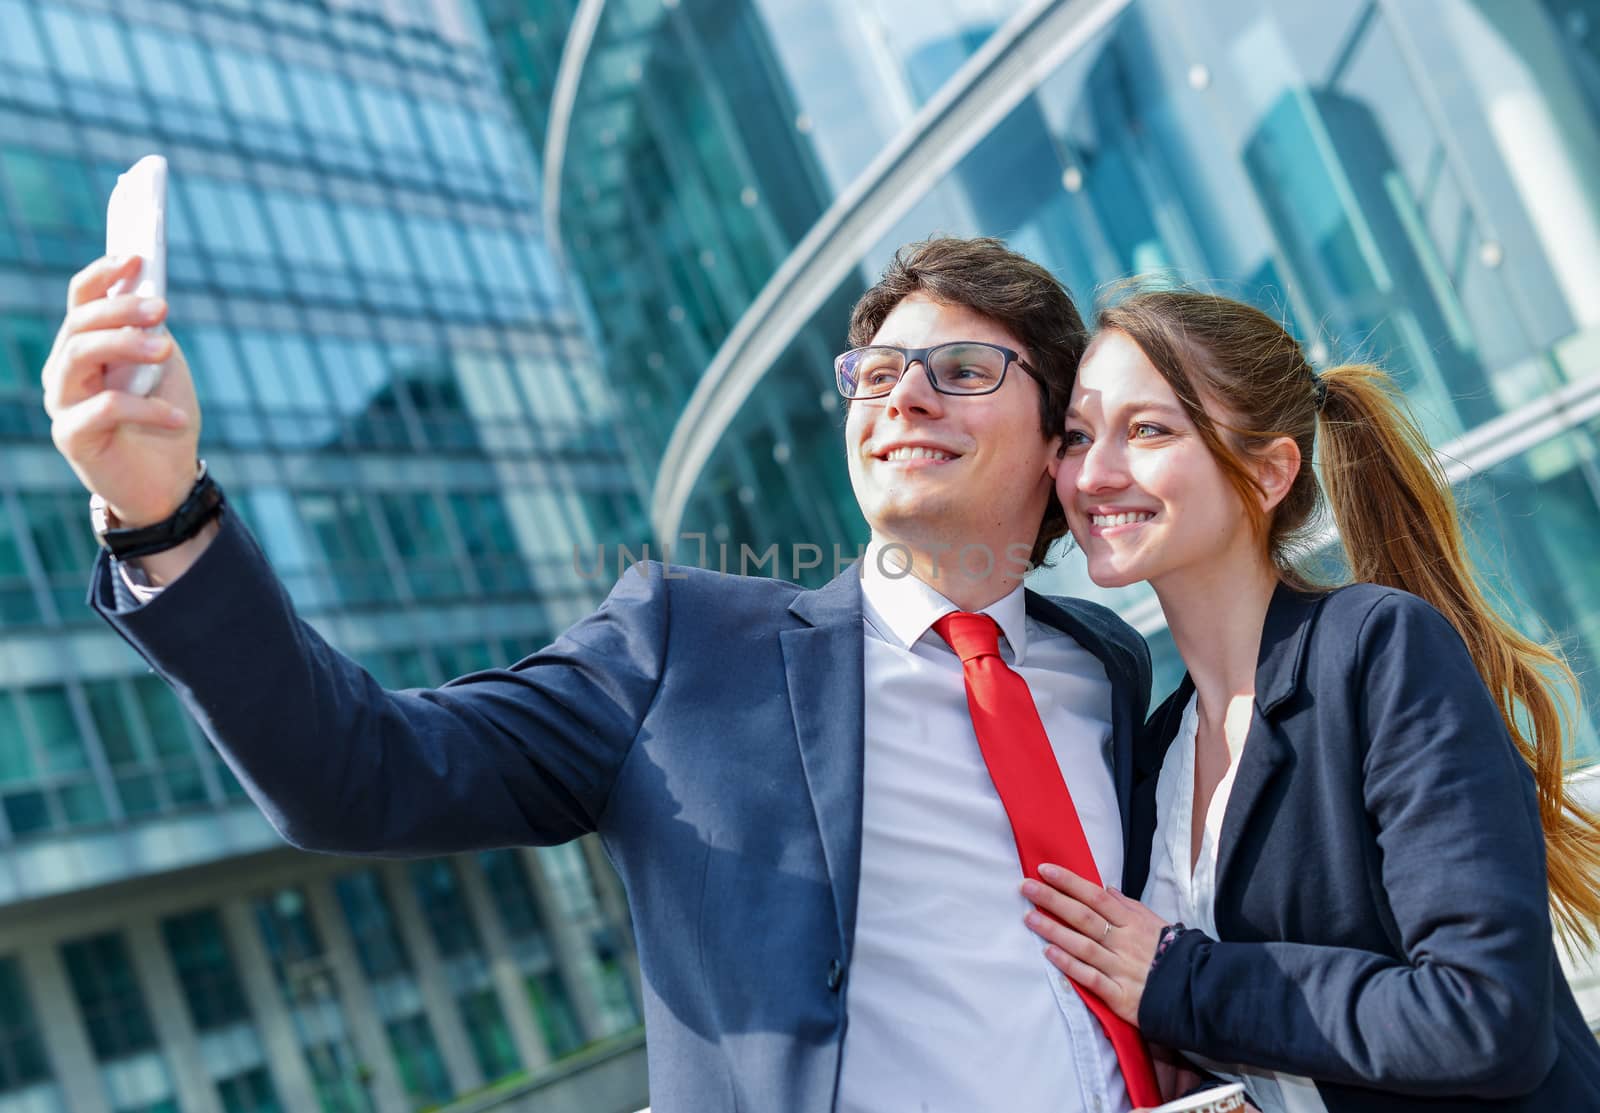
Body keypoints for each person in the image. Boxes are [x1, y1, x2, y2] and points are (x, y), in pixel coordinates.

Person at [44, 239, 1176, 1112]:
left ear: (1057, 440)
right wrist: (164, 519)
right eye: (873, 375)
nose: (901, 399)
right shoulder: (680, 645)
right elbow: (358, 772)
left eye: (961, 370)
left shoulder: (1108, 668)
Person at [1019, 288, 1600, 1110]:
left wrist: (1180, 978)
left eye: (1149, 429)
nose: (1095, 472)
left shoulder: (1378, 649)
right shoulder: (1152, 753)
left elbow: (1485, 1015)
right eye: (1077, 437)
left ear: (1267, 472)